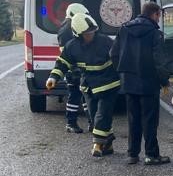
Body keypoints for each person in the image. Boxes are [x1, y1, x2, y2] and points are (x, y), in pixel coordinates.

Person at [46, 13, 120, 158]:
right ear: (78, 34)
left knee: (102, 115)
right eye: (86, 34)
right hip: (88, 87)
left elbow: (119, 58)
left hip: (108, 85)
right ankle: (108, 144)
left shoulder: (105, 41)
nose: (90, 35)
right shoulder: (72, 46)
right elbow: (62, 63)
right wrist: (53, 77)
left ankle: (97, 144)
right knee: (94, 116)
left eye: (92, 32)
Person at [111, 2, 171, 165]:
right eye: (159, 15)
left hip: (129, 83)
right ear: (154, 14)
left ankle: (132, 154)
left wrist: (123, 72)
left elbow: (114, 53)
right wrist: (164, 80)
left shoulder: (124, 29)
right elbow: (159, 61)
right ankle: (151, 155)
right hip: (149, 83)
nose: (159, 19)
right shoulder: (155, 34)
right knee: (150, 120)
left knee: (133, 119)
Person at [56, 2, 90, 133]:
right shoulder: (68, 29)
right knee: (76, 95)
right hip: (74, 69)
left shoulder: (66, 27)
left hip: (75, 68)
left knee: (82, 95)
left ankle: (89, 121)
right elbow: (72, 51)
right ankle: (71, 123)